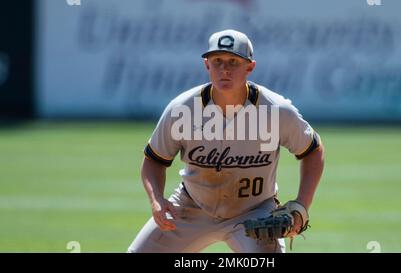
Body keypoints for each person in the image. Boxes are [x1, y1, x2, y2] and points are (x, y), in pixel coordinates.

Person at [128, 29, 325, 253]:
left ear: (250, 66)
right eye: (218, 61)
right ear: (207, 65)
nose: (225, 69)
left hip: (255, 211)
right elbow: (154, 159)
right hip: (190, 206)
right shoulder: (182, 109)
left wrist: (301, 205)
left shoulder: (276, 110)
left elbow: (312, 151)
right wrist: (157, 200)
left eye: (233, 61)